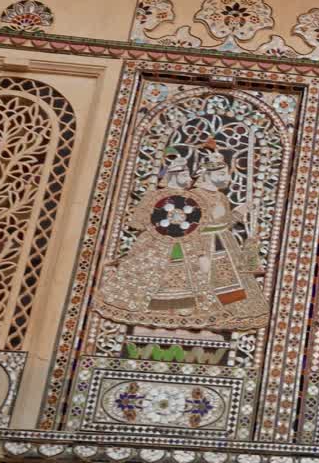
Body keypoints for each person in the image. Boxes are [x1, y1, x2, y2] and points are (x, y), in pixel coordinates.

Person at [95, 141, 268, 332]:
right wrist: (200, 252)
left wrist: (240, 211)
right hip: (201, 246)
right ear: (206, 175)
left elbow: (224, 223)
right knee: (201, 290)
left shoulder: (221, 197)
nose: (227, 178)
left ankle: (228, 320)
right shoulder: (194, 196)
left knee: (230, 289)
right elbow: (190, 227)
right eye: (221, 174)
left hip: (224, 245)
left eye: (226, 173)